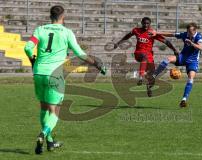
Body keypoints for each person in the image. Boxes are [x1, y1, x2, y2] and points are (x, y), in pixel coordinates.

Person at [24, 5, 106, 154]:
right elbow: (80, 54)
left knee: (44, 107)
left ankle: (49, 142)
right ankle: (43, 133)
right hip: (55, 74)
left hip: (38, 73)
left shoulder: (40, 30)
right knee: (56, 110)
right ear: (63, 16)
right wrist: (96, 63)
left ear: (50, 16)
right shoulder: (67, 32)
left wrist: (32, 61)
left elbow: (28, 48)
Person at [114, 17, 178, 97]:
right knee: (144, 57)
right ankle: (140, 77)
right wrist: (118, 43)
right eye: (144, 23)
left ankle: (149, 87)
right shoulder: (136, 30)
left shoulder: (152, 33)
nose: (145, 25)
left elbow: (166, 41)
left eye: (147, 23)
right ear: (142, 23)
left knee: (153, 76)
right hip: (138, 53)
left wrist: (174, 50)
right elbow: (127, 36)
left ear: (150, 24)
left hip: (149, 56)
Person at [149, 22, 202, 107]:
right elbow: (171, 34)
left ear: (195, 30)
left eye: (190, 32)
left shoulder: (199, 36)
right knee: (168, 59)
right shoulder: (185, 34)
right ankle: (154, 76)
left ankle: (184, 100)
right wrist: (156, 33)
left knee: (191, 78)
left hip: (193, 61)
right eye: (188, 31)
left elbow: (200, 47)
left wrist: (191, 43)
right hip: (183, 57)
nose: (189, 33)